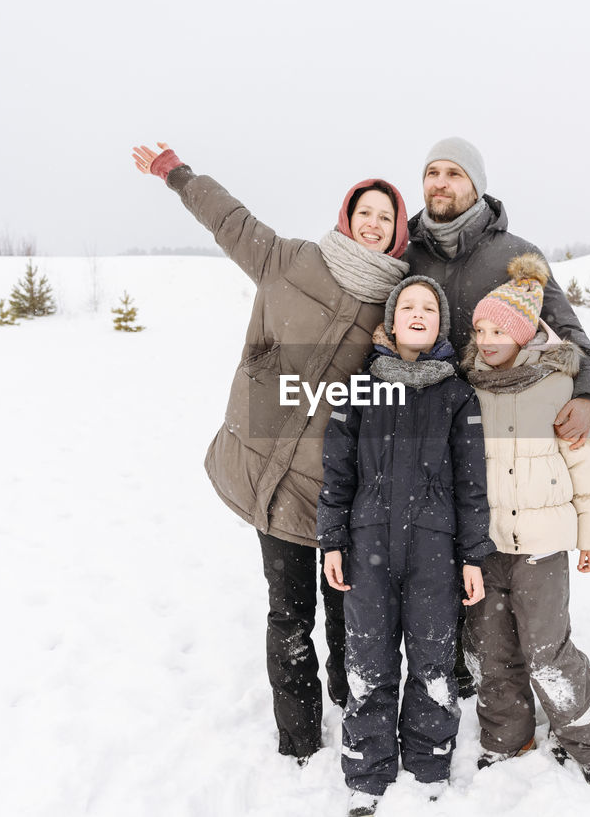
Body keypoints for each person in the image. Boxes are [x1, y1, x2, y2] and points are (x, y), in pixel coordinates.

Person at [131, 142, 412, 764]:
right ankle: (299, 737)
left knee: (345, 615)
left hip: (340, 494)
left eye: (385, 217)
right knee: (288, 615)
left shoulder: (396, 303)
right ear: (347, 216)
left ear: (397, 233)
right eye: (364, 211)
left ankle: (351, 705)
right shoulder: (289, 261)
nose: (373, 222)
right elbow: (230, 219)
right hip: (273, 483)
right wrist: (177, 175)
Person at [404, 136, 590, 696]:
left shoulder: (514, 255)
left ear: (476, 184)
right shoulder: (407, 256)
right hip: (429, 444)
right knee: (448, 573)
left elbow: (571, 339)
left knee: (500, 583)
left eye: (453, 173)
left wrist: (589, 396)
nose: (440, 184)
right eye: (431, 173)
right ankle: (468, 684)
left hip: (503, 449)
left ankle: (509, 685)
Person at [318, 275, 494, 816]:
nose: (418, 314)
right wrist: (331, 540)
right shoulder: (359, 387)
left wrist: (472, 555)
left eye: (430, 308)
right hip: (367, 545)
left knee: (433, 658)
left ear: (442, 323)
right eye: (408, 306)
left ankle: (428, 762)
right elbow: (336, 471)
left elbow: (471, 482)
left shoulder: (457, 394)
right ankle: (367, 771)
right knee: (368, 658)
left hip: (434, 552)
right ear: (391, 320)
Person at [460, 254, 590, 785]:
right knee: (491, 649)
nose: (486, 339)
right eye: (479, 329)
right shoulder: (468, 388)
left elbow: (584, 466)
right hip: (485, 546)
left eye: (497, 330)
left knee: (547, 650)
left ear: (525, 332)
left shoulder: (558, 386)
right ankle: (508, 737)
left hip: (543, 546)